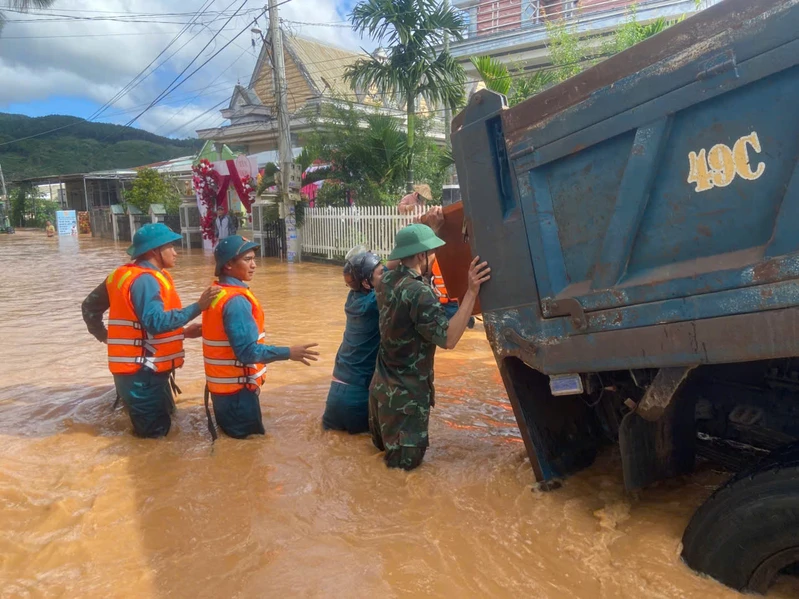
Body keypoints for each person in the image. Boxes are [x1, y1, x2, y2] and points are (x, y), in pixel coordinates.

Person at [369, 223, 490, 471]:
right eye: (432, 253)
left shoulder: (385, 282)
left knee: (385, 471)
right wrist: (471, 291)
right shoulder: (420, 293)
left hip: (381, 395)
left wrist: (426, 232)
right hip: (406, 404)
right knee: (404, 478)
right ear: (423, 255)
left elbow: (392, 264)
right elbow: (448, 339)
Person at [82, 223, 221, 438]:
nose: (176, 252)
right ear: (153, 251)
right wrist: (198, 307)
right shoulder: (146, 280)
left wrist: (107, 337)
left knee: (168, 423)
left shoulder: (121, 275)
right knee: (154, 440)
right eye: (170, 247)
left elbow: (90, 308)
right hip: (142, 375)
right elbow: (155, 323)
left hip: (140, 370)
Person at [203, 235, 320, 439]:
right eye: (247, 259)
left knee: (234, 449)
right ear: (229, 264)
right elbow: (247, 352)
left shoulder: (218, 292)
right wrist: (289, 353)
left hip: (222, 390)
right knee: (250, 451)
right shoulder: (236, 301)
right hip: (238, 394)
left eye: (253, 259)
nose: (254, 265)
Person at [322, 249, 385, 434]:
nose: (385, 275)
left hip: (335, 392)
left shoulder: (353, 297)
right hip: (357, 397)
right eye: (381, 273)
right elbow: (401, 272)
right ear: (366, 282)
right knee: (366, 454)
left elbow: (388, 270)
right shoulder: (375, 303)